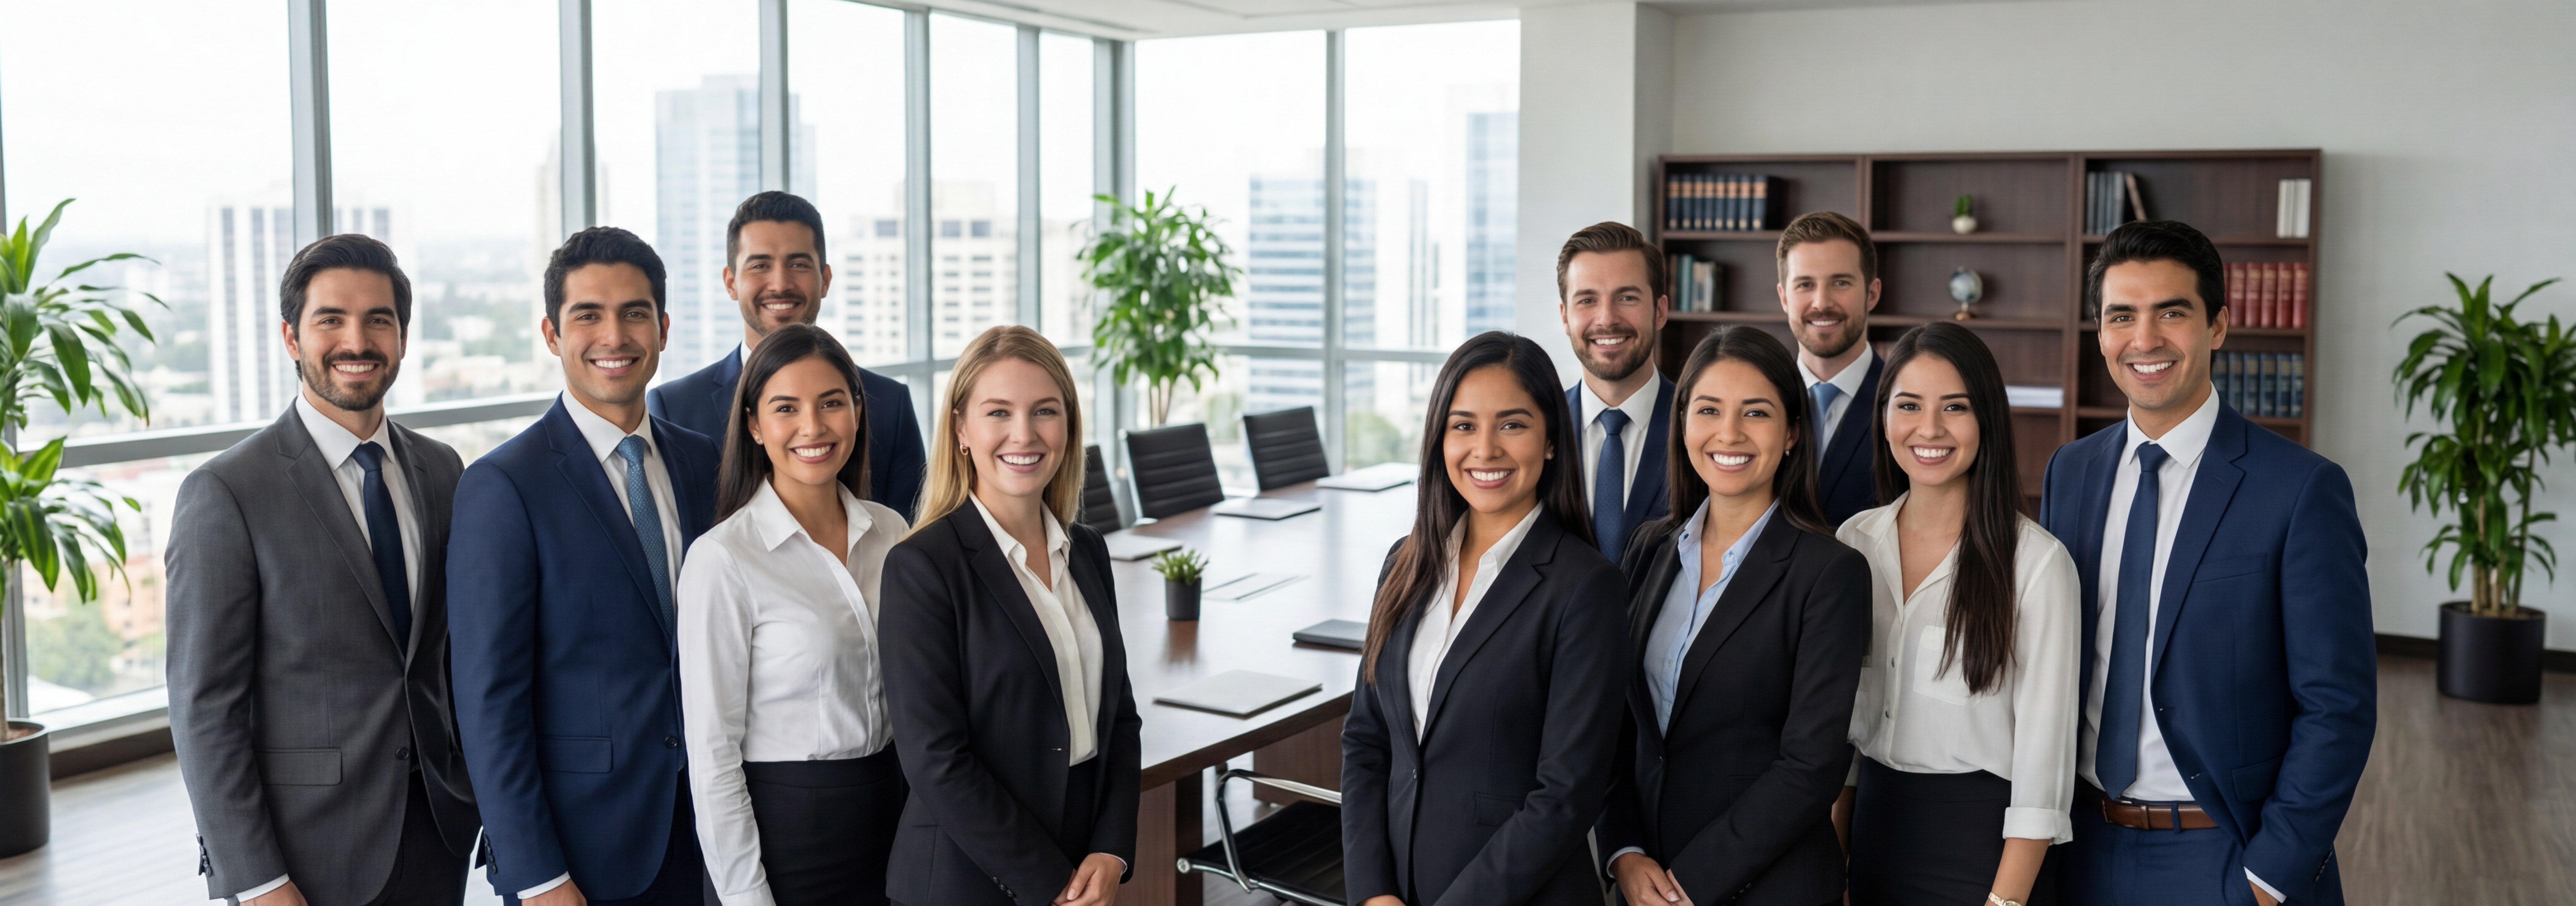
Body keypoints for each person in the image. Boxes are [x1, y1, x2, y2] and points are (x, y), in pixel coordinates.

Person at [2042, 221, 2372, 906]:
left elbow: (2337, 704)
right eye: (2121, 316)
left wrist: (2269, 873)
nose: (2145, 339)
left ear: (2217, 325)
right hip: (2076, 844)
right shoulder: (2070, 472)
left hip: (2221, 852)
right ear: (2098, 332)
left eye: (2171, 312)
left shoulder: (2300, 488)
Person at [168, 234, 479, 906]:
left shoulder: (443, 470)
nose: (356, 341)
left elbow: (450, 657)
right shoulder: (225, 493)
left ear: (401, 337)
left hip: (437, 834)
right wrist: (255, 878)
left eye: (379, 320)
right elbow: (204, 709)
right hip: (304, 853)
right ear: (291, 337)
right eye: (330, 320)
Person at [450, 226, 721, 906]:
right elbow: (489, 705)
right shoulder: (503, 487)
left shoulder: (707, 462)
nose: (615, 335)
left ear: (662, 327)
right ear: (551, 333)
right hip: (583, 854)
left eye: (635, 312)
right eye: (588, 315)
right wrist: (538, 874)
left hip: (715, 834)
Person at [1341, 331, 1629, 906]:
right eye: (1464, 425)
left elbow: (1565, 796)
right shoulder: (1405, 564)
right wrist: (1373, 894)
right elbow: (1367, 743)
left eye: (1513, 425)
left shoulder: (1586, 587)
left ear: (1551, 440)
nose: (1486, 449)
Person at [1598, 324, 1870, 906]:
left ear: (1794, 432)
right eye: (1708, 410)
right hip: (1643, 879)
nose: (1729, 434)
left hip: (1765, 885)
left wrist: (1690, 885)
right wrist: (1623, 852)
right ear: (1683, 424)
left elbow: (1812, 766)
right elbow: (1618, 724)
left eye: (1756, 413)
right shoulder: (1649, 547)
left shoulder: (1831, 572)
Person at [878, 325, 1140, 906]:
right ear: (961, 430)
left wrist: (1111, 849)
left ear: (1068, 427)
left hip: (1082, 864)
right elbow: (936, 761)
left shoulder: (1088, 551)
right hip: (969, 878)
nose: (1025, 434)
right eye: (999, 412)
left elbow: (1119, 719)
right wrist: (1052, 885)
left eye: (1045, 411)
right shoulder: (922, 567)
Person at [1828, 322, 2079, 906]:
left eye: (1955, 408)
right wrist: (1830, 865)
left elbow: (2044, 772)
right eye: (1909, 405)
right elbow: (1839, 737)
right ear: (1883, 415)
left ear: (1987, 418)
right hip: (1870, 837)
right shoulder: (1852, 545)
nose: (1930, 429)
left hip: (1984, 856)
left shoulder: (2037, 565)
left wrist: (2004, 902)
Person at [677, 323, 909, 906]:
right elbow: (712, 757)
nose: (814, 427)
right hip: (789, 842)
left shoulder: (893, 535)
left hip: (900, 819)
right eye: (787, 408)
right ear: (755, 425)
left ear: (858, 410)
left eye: (832, 403)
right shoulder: (723, 559)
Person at [649, 191, 926, 520]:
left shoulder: (889, 402)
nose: (780, 284)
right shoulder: (674, 408)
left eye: (798, 264)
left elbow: (909, 547)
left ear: (825, 280)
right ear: (731, 282)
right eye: (760, 265)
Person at [1556, 222, 1676, 565]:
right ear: (1565, 316)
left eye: (1627, 298)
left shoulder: (1700, 427)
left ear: (1660, 311)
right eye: (1588, 300)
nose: (1607, 319)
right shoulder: (1540, 427)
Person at [1774, 211, 1887, 526]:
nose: (1822, 302)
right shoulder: (1756, 400)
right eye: (1805, 284)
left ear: (1872, 294)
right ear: (1784, 297)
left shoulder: (1905, 403)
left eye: (1840, 283)